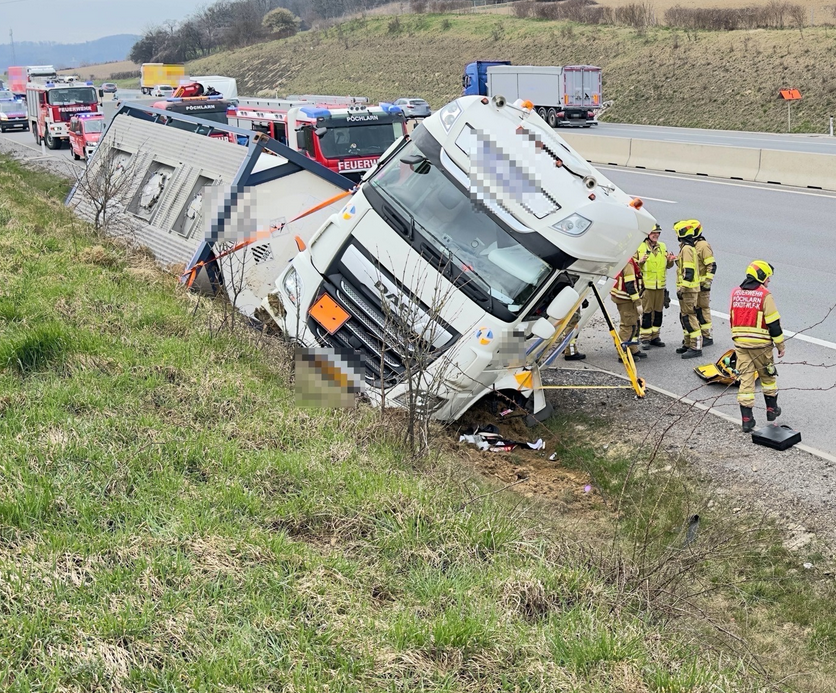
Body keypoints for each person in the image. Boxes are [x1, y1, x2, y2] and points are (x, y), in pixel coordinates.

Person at [729, 260, 785, 432]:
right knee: (768, 377)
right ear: (761, 276)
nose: (769, 280)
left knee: (746, 380)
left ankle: (747, 420)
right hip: (761, 345)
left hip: (741, 344)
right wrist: (780, 345)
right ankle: (771, 409)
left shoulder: (735, 293)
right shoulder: (765, 295)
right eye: (768, 277)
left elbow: (732, 317)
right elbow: (773, 324)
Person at [634, 223, 675, 348]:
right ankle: (645, 338)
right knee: (647, 313)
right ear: (647, 234)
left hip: (660, 286)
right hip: (647, 287)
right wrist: (640, 261)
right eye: (653, 233)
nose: (656, 235)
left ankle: (655, 337)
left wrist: (670, 261)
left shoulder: (662, 246)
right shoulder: (640, 247)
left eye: (658, 233)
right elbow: (632, 265)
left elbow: (668, 266)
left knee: (658, 312)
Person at [674, 220, 703, 359]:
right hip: (689, 289)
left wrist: (682, 288)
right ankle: (688, 343)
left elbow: (689, 272)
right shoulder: (687, 248)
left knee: (690, 317)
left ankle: (696, 347)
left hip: (688, 290)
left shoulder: (686, 249)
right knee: (684, 316)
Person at [610, 257, 647, 361]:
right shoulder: (628, 262)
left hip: (625, 298)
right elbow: (630, 284)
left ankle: (632, 348)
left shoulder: (628, 259)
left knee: (634, 323)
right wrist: (638, 302)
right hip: (626, 299)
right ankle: (622, 354)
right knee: (627, 325)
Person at [691, 220, 717, 346]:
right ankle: (700, 334)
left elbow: (711, 265)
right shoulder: (691, 245)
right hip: (694, 286)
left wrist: (707, 283)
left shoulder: (703, 246)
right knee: (695, 310)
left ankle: (707, 336)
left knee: (703, 310)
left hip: (702, 286)